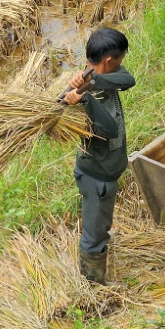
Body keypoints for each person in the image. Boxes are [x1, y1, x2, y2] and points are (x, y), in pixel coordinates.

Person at [62, 27, 136, 285]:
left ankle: (94, 268)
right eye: (120, 60)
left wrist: (91, 80)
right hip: (96, 178)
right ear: (109, 60)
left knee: (100, 224)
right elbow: (108, 129)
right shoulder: (76, 98)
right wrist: (84, 98)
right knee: (94, 235)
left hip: (106, 173)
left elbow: (128, 80)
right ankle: (92, 285)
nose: (121, 65)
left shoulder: (103, 76)